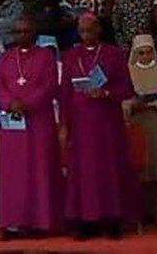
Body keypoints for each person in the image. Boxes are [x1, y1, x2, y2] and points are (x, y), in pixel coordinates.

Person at [61, 13, 138, 239]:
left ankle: (112, 221)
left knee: (108, 173)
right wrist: (64, 125)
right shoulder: (70, 56)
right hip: (81, 125)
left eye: (89, 30)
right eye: (82, 31)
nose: (85, 35)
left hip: (107, 124)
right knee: (83, 176)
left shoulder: (113, 54)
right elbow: (65, 93)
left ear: (98, 30)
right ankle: (86, 222)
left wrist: (105, 92)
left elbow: (127, 88)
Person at [0, 16, 63, 240]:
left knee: (39, 172)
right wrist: (9, 103)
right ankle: (11, 223)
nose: (22, 36)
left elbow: (50, 86)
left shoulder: (45, 57)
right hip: (13, 127)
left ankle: (39, 223)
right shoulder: (5, 58)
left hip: (38, 123)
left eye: (26, 31)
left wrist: (27, 103)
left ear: (34, 33)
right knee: (12, 175)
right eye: (19, 32)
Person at [124, 35, 157, 195]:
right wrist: (133, 104)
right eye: (141, 53)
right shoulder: (128, 71)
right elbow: (124, 100)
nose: (145, 56)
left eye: (148, 52)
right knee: (141, 170)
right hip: (138, 123)